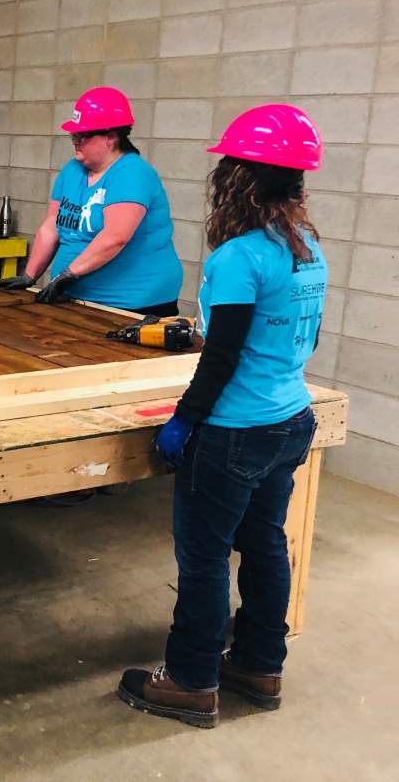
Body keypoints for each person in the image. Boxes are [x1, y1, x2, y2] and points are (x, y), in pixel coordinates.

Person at [117, 104, 327, 728]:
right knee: (265, 544)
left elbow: (223, 355)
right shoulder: (307, 248)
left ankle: (189, 680)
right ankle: (260, 666)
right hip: (291, 418)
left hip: (236, 430)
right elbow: (305, 339)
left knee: (204, 557)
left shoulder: (237, 257)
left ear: (239, 177)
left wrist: (185, 420)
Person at [0, 87, 182, 315]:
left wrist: (69, 274)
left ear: (111, 137)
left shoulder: (131, 173)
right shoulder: (73, 169)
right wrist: (29, 275)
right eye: (74, 135)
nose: (76, 141)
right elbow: (52, 224)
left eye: (83, 136)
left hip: (131, 302)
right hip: (77, 296)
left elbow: (115, 237)